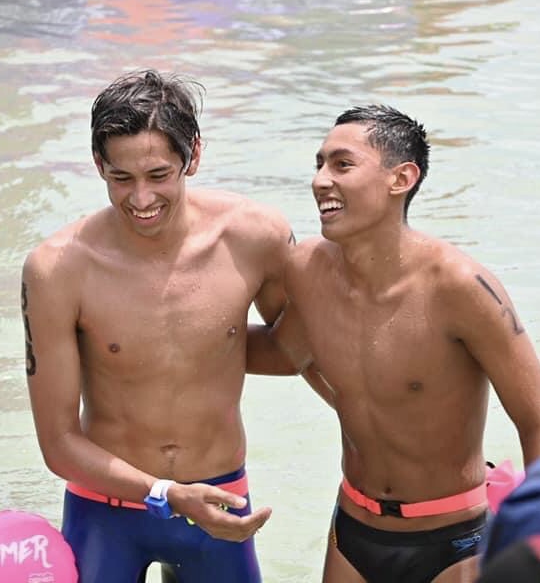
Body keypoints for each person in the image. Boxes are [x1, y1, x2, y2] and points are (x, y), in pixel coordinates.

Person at [21, 69, 295, 583]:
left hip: (218, 499)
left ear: (194, 155)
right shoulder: (57, 269)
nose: (141, 199)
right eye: (120, 179)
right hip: (105, 511)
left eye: (158, 175)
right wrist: (165, 493)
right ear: (98, 164)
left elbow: (297, 351)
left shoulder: (256, 236)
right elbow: (58, 442)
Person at [247, 105, 540, 583]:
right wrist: (176, 343)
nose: (320, 180)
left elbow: (535, 417)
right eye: (319, 164)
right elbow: (287, 353)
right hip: (353, 528)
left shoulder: (460, 287)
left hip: (453, 537)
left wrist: (531, 536)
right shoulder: (307, 269)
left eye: (342, 165)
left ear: (401, 178)